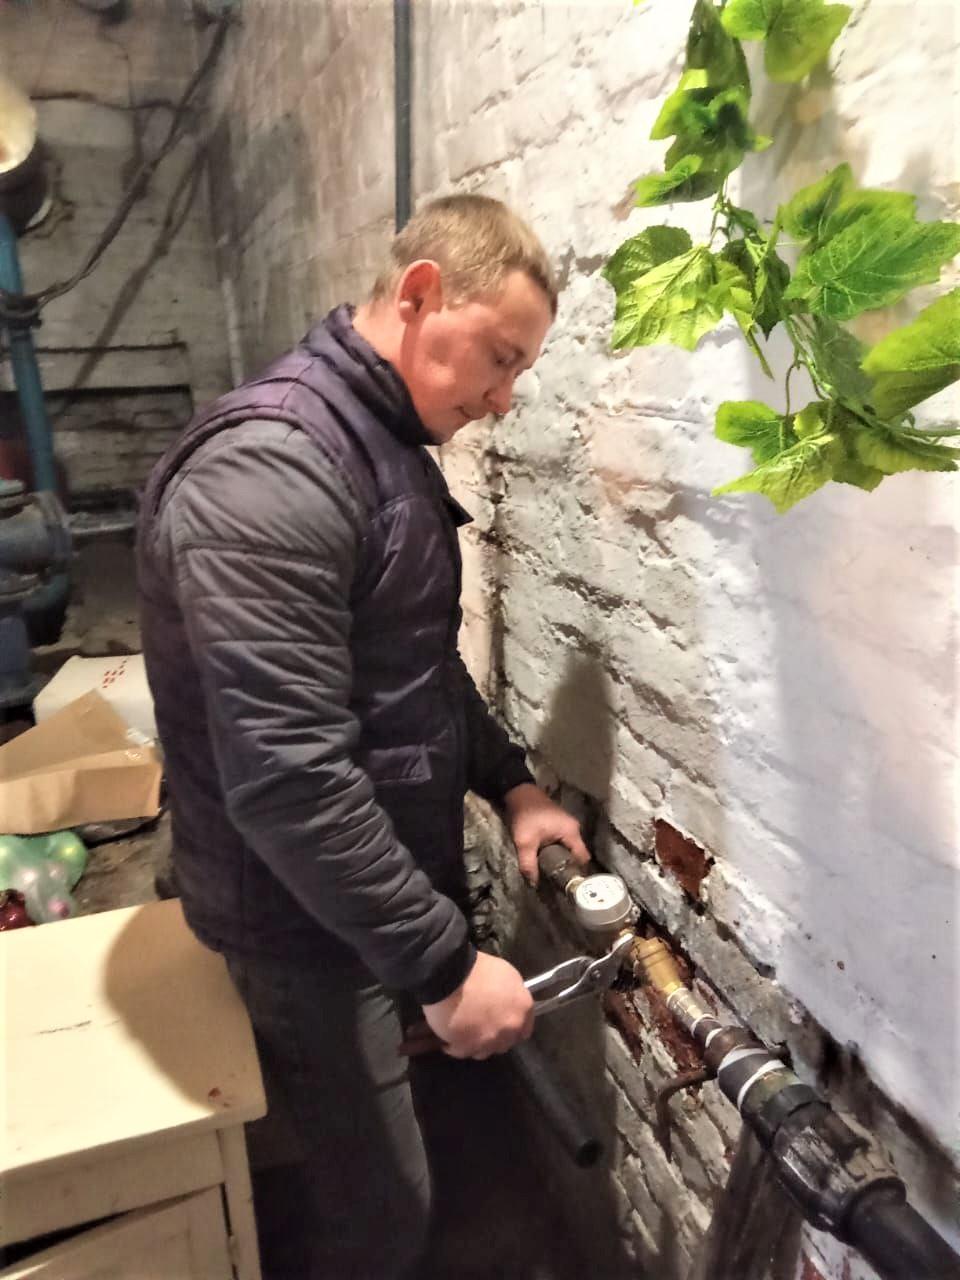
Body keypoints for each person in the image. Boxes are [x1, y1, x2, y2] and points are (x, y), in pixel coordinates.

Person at [137, 194, 590, 1279]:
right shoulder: (272, 471)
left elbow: (409, 664)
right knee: (381, 1208)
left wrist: (515, 784)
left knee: (387, 1168)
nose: (504, 397)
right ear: (422, 293)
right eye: (500, 358)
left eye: (520, 371)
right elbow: (290, 779)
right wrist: (443, 964)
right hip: (296, 917)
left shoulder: (378, 439)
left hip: (349, 898)